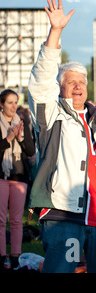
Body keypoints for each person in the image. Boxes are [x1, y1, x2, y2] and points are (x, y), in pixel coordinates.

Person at [27, 0, 96, 273]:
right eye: (71, 83)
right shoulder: (51, 115)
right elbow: (41, 82)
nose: (78, 87)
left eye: (82, 82)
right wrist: (55, 32)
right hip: (63, 213)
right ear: (61, 89)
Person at [0, 90, 36, 270]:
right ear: (1, 104)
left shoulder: (21, 124)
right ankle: (1, 256)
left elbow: (30, 151)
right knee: (0, 220)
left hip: (19, 175)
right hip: (1, 175)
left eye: (16, 102)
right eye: (9, 102)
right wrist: (8, 139)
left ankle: (15, 256)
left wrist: (20, 138)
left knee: (16, 220)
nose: (14, 106)